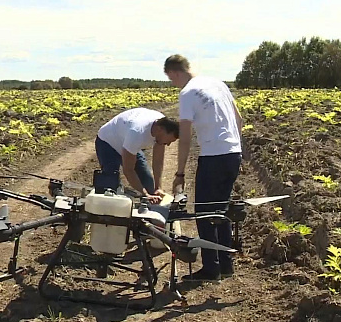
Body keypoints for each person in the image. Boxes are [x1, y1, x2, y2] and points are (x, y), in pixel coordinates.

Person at [164, 54, 244, 281]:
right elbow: (238, 120)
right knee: (221, 211)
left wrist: (179, 172)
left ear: (176, 72)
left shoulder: (188, 93)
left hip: (213, 157)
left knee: (205, 213)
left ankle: (211, 268)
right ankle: (226, 264)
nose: (173, 83)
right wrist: (238, 151)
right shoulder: (219, 84)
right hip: (232, 154)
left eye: (171, 79)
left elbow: (186, 137)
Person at [96, 107, 179, 204]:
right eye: (168, 141)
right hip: (108, 142)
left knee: (148, 183)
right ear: (160, 129)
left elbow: (158, 161)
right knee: (110, 185)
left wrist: (158, 187)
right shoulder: (137, 133)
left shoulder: (162, 126)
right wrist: (145, 194)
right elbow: (128, 170)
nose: (168, 144)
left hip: (128, 142)